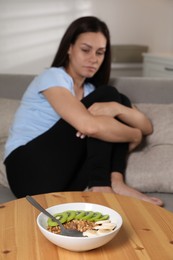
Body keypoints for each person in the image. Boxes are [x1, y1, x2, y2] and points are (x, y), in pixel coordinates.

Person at [4, 16, 163, 206]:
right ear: (69, 48)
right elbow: (88, 126)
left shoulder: (92, 93)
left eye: (100, 52)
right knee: (108, 94)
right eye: (85, 50)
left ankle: (116, 181)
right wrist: (133, 135)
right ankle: (101, 184)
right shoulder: (53, 77)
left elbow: (146, 127)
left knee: (118, 100)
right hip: (27, 171)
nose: (93, 59)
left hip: (62, 181)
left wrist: (116, 108)